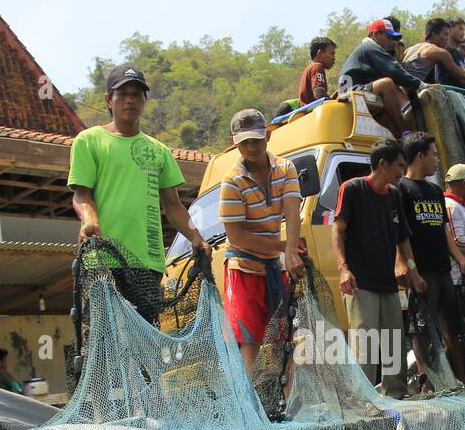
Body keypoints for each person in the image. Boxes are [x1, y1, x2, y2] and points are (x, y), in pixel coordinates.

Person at [69, 65, 212, 326]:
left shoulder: (158, 150)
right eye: (122, 93)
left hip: (148, 263)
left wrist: (196, 237)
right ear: (108, 100)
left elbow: (174, 206)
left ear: (145, 101)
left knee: (145, 344)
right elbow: (80, 195)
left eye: (137, 94)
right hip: (103, 259)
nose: (130, 100)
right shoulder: (89, 140)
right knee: (104, 341)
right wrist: (90, 220)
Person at [333, 140, 425, 398]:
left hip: (388, 283)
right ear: (382, 163)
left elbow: (403, 238)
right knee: (365, 344)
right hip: (360, 283)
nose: (401, 171)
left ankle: (394, 396)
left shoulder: (394, 195)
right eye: (399, 165)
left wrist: (413, 270)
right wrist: (343, 268)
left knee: (394, 342)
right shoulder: (352, 188)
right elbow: (338, 230)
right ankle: (361, 400)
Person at [218, 109, 304, 375]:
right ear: (236, 143)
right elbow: (236, 236)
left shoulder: (285, 168)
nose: (251, 147)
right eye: (244, 142)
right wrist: (283, 248)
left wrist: (291, 252)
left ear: (267, 136)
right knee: (248, 340)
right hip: (243, 268)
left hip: (273, 268)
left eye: (256, 139)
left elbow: (291, 211)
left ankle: (288, 398)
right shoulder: (232, 181)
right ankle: (247, 406)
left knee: (284, 335)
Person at [398, 133, 465, 383]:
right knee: (422, 331)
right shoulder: (401, 189)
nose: (436, 159)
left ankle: (460, 381)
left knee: (453, 329)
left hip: (444, 271)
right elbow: (400, 235)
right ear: (420, 156)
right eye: (433, 153)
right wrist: (411, 270)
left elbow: (445, 231)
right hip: (422, 272)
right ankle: (428, 383)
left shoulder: (435, 191)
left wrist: (460, 260)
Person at [337, 19, 423, 138]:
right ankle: (404, 132)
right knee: (386, 84)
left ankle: (400, 138)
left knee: (391, 128)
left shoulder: (366, 49)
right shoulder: (370, 47)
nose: (392, 42)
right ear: (376, 35)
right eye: (388, 37)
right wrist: (420, 85)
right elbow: (394, 70)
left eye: (393, 38)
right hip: (352, 92)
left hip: (357, 90)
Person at [401, 18, 465, 102]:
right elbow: (462, 78)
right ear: (434, 34)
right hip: (413, 95)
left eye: (448, 35)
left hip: (401, 92)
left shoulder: (410, 49)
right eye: (445, 34)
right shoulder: (439, 52)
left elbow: (464, 73)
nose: (447, 38)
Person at [298, 37, 336, 106]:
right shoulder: (317, 67)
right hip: (313, 113)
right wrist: (335, 103)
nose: (334, 58)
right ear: (320, 53)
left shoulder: (309, 67)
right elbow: (318, 93)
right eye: (331, 54)